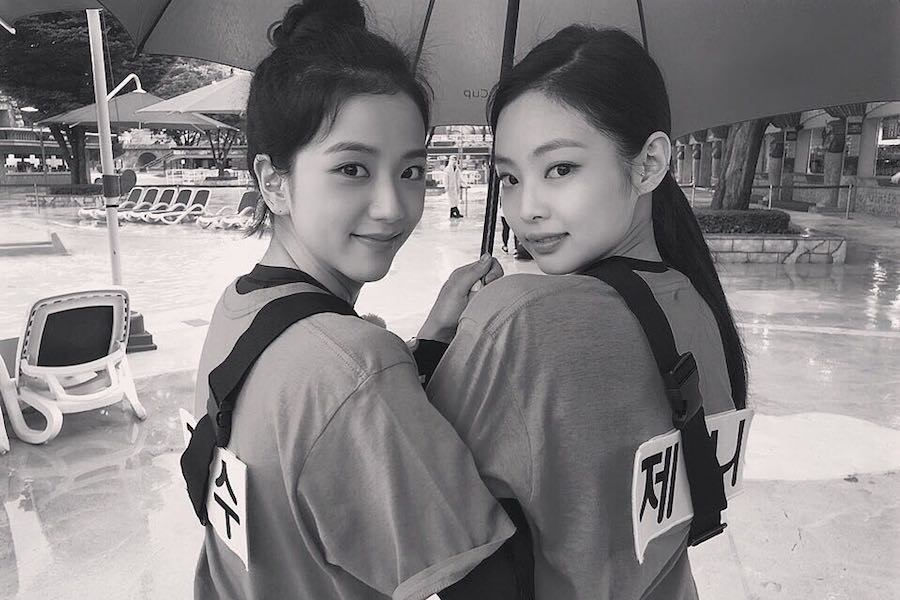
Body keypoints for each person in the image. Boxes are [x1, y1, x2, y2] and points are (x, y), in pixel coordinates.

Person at [185, 2, 527, 598]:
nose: (393, 207)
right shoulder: (353, 367)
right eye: (352, 169)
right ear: (275, 183)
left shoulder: (239, 308)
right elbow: (486, 584)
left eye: (411, 171)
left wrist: (430, 341)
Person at [427, 26, 748, 600]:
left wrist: (432, 346)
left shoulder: (520, 321)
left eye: (560, 169)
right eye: (509, 177)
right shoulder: (698, 305)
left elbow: (402, 485)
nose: (526, 209)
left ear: (649, 164)